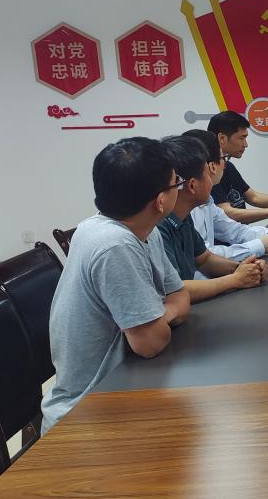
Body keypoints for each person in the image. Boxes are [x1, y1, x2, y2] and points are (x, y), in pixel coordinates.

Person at [41, 138, 190, 434]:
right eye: (177, 182)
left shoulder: (142, 230)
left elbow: (180, 296)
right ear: (160, 201)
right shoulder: (114, 245)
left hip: (126, 386)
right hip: (88, 413)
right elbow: (150, 343)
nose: (180, 187)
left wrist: (161, 314)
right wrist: (161, 316)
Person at [157, 135, 267, 302]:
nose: (211, 179)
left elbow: (204, 259)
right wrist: (235, 279)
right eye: (207, 174)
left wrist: (245, 269)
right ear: (192, 185)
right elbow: (174, 291)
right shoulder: (158, 227)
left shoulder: (183, 217)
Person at [183, 129, 268, 264]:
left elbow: (235, 231)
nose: (225, 165)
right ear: (212, 166)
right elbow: (205, 256)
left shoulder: (207, 201)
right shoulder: (187, 208)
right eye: (223, 158)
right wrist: (261, 245)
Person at [207, 111, 268, 223]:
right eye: (242, 138)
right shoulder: (209, 171)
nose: (246, 144)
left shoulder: (228, 166)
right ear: (222, 138)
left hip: (240, 232)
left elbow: (253, 197)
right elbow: (226, 213)